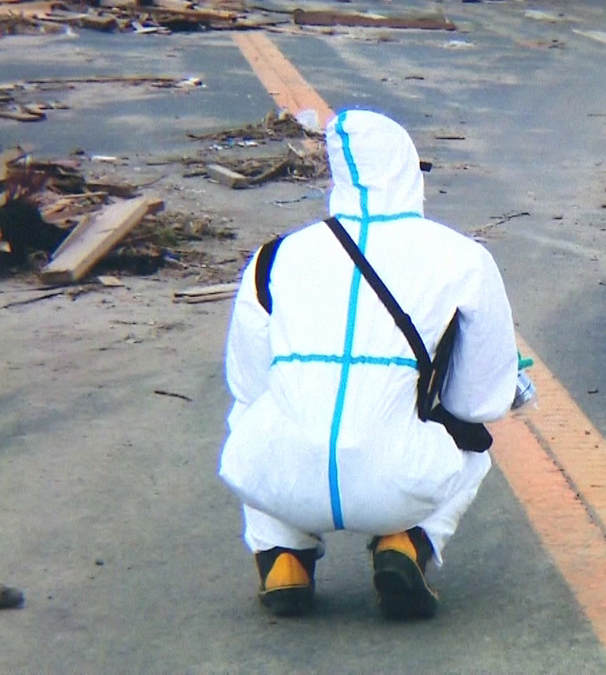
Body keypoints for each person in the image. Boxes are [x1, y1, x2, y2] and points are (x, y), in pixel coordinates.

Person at [218, 109, 518, 619]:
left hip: (283, 483)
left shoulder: (274, 256)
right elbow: (477, 400)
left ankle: (283, 558)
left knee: (252, 414)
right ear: (407, 169)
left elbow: (248, 382)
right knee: (473, 446)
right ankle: (406, 543)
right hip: (397, 485)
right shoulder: (461, 257)